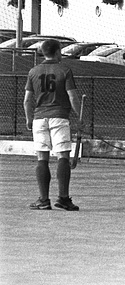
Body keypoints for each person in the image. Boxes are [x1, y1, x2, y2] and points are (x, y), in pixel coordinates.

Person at [23, 39, 83, 211]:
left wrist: (29, 119)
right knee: (63, 156)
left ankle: (43, 200)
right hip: (60, 117)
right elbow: (72, 97)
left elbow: (27, 100)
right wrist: (80, 116)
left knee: (42, 157)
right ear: (57, 52)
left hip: (39, 118)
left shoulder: (33, 71)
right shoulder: (65, 70)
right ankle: (63, 198)